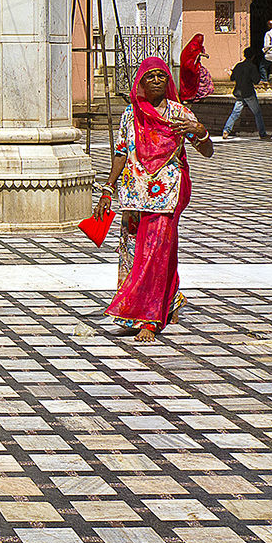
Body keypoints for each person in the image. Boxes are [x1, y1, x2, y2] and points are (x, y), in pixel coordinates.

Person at [96, 56, 212, 339]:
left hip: (167, 194)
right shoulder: (130, 115)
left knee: (156, 252)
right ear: (141, 83)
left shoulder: (179, 113)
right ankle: (169, 299)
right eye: (151, 76)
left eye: (162, 75)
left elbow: (207, 151)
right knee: (134, 253)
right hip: (135, 194)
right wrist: (107, 191)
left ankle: (148, 318)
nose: (157, 80)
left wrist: (200, 132)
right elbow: (121, 153)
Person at [220, 45, 270, 140]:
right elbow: (255, 80)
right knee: (257, 113)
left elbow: (232, 77)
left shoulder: (238, 66)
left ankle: (226, 130)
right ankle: (262, 133)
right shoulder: (252, 67)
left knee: (235, 113)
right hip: (248, 93)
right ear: (253, 57)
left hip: (239, 92)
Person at [178, 33, 214, 101]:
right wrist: (203, 55)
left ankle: (199, 95)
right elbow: (192, 53)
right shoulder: (192, 46)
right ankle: (190, 96)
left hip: (196, 66)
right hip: (189, 67)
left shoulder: (199, 46)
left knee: (204, 76)